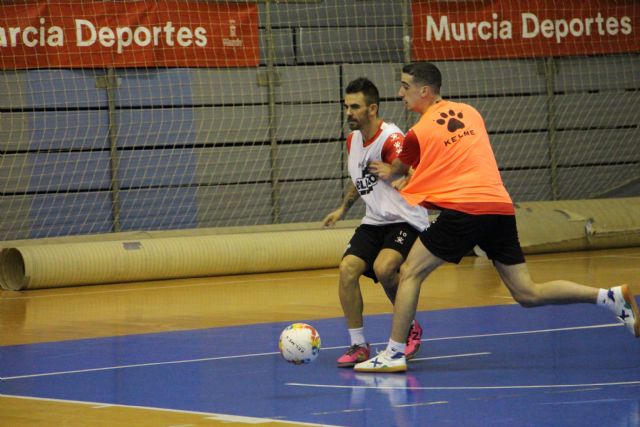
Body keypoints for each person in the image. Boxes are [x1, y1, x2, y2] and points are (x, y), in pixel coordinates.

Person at [354, 62, 640, 373]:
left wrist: (393, 172)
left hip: (466, 208)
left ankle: (394, 353)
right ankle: (607, 297)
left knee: (409, 272)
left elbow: (398, 169)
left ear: (424, 91)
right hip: (500, 206)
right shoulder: (471, 112)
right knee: (527, 292)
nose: (400, 93)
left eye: (405, 86)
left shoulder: (417, 133)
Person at [322, 77, 431, 368]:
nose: (348, 112)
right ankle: (359, 345)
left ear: (372, 109)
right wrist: (342, 209)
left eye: (355, 107)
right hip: (375, 220)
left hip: (405, 219)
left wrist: (396, 174)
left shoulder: (391, 139)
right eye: (346, 106)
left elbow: (413, 173)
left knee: (385, 268)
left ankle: (409, 327)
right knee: (347, 269)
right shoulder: (353, 140)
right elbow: (360, 177)